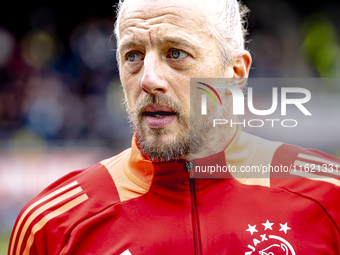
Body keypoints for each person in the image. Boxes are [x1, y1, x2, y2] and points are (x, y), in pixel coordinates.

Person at [9, 0, 340, 254]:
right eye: (133, 56)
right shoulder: (51, 224)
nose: (150, 80)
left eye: (176, 53)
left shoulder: (329, 195)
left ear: (236, 71)